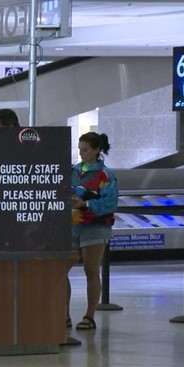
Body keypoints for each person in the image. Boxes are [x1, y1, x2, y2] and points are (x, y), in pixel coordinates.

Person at [69, 132, 118, 332]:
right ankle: (64, 315)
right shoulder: (73, 171)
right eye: (79, 149)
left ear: (97, 150)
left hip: (95, 226)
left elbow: (110, 202)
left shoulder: (105, 175)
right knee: (61, 269)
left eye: (85, 150)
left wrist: (86, 203)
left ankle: (89, 316)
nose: (81, 154)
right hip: (72, 225)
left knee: (91, 270)